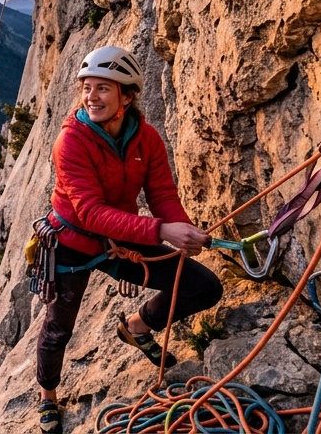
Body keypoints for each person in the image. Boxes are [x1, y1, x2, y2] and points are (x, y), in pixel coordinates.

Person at [34, 46, 223, 434]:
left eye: (103, 88)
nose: (91, 97)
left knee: (204, 287)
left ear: (127, 97)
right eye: (87, 88)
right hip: (72, 244)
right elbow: (90, 212)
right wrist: (161, 231)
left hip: (120, 238)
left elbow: (162, 193)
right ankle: (47, 395)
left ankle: (136, 326)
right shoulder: (71, 141)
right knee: (58, 329)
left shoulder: (146, 138)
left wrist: (183, 230)